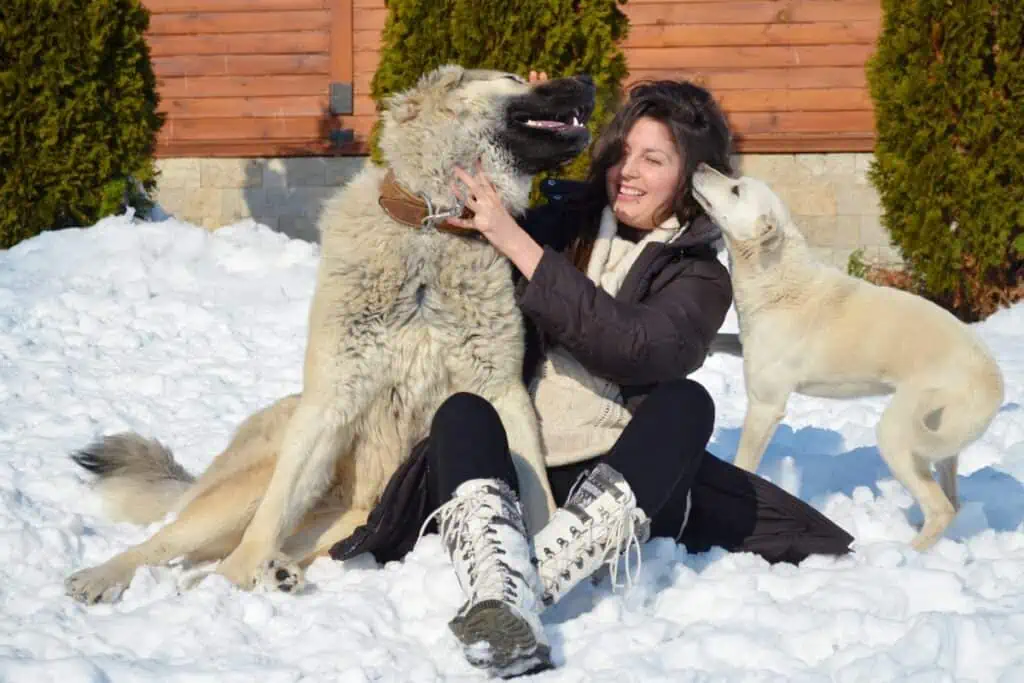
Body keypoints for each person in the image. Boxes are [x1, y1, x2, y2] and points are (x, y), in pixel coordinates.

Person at [330, 74, 854, 678]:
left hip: (611, 481)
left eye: (653, 160)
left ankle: (533, 582)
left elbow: (632, 348)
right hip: (509, 469)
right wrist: (524, 110)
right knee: (462, 412)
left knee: (688, 403)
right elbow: (468, 175)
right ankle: (499, 584)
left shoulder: (700, 277)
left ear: (690, 177)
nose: (627, 172)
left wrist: (518, 246)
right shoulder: (561, 220)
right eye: (623, 154)